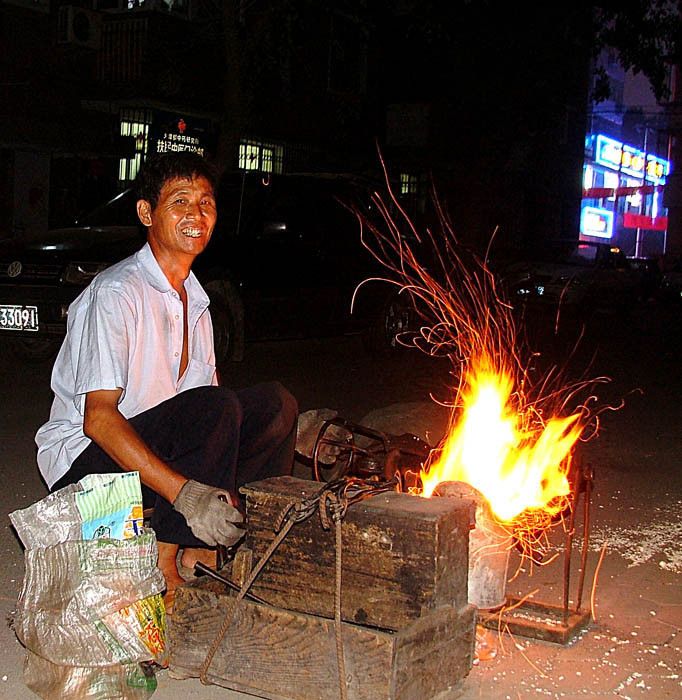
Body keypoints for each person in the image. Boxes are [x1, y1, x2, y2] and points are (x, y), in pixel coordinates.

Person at [35, 152, 298, 608]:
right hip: (86, 475)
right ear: (146, 213)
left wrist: (287, 431)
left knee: (275, 403)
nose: (196, 215)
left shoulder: (196, 301)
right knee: (215, 407)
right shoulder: (117, 293)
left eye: (206, 202)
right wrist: (187, 494)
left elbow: (218, 421)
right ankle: (163, 561)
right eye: (180, 201)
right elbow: (99, 420)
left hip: (150, 456)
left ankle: (218, 547)